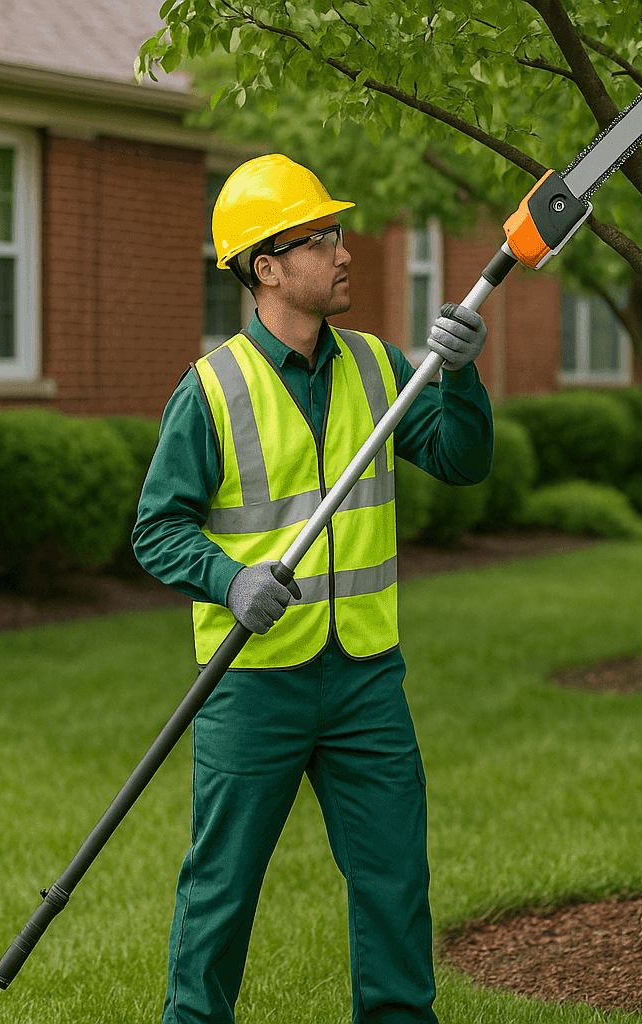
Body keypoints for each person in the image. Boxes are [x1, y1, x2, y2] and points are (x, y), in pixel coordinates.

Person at [133, 152, 494, 1024]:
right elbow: (157, 528)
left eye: (338, 233)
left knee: (395, 883)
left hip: (365, 676)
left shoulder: (378, 366)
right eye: (320, 237)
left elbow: (461, 460)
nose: (343, 251)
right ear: (267, 267)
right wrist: (230, 578)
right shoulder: (212, 389)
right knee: (221, 892)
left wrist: (461, 374)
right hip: (253, 683)